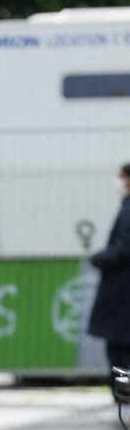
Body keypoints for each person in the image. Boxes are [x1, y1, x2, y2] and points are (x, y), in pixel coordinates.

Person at [89, 163, 130, 392]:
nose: (118, 183)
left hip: (122, 299)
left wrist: (98, 259)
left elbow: (123, 249)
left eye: (121, 178)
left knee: (120, 354)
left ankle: (125, 404)